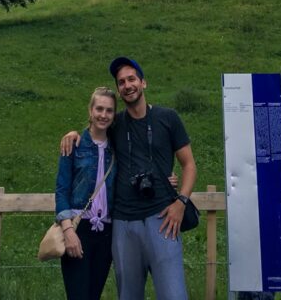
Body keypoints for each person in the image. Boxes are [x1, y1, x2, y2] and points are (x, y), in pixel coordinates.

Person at [62, 57, 197, 300]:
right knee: (129, 295)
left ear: (143, 82)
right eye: (121, 82)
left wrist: (181, 202)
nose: (127, 85)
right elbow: (94, 135)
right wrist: (73, 134)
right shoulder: (115, 124)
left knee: (173, 294)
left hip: (162, 218)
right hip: (123, 223)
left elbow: (189, 165)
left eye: (132, 79)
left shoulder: (168, 118)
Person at [55, 87, 118, 300]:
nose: (103, 115)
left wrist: (167, 178)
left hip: (107, 233)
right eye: (99, 109)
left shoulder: (117, 148)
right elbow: (62, 189)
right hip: (78, 229)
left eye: (109, 110)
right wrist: (68, 231)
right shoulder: (74, 144)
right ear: (90, 111)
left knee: (93, 294)